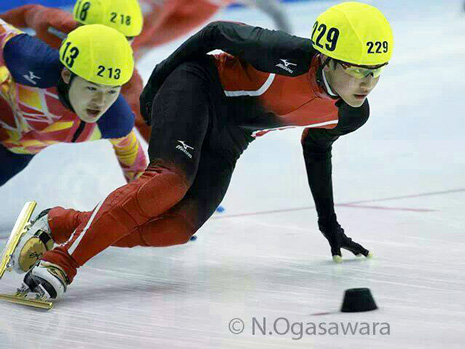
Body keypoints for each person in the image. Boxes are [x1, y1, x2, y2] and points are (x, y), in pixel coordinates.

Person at [10, 2, 393, 300]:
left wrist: (329, 224)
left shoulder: (350, 115)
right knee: (168, 184)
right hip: (196, 85)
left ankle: (59, 222)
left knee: (176, 229)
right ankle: (61, 263)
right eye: (358, 70)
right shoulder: (287, 53)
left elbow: (316, 153)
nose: (368, 82)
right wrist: (157, 82)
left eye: (377, 71)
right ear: (326, 56)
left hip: (231, 135)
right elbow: (216, 32)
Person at [0, 20, 147, 186]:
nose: (101, 102)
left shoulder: (116, 120)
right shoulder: (32, 60)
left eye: (112, 91)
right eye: (92, 88)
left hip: (13, 153)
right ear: (67, 75)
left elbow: (138, 173)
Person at [0, 0, 151, 141]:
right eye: (97, 35)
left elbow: (147, 125)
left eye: (115, 42)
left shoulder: (130, 85)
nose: (104, 47)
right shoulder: (52, 22)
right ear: (77, 25)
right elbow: (26, 15)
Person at [134, 0, 291, 60]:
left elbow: (276, 11)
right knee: (136, 35)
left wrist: (287, 48)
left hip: (205, 6)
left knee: (144, 45)